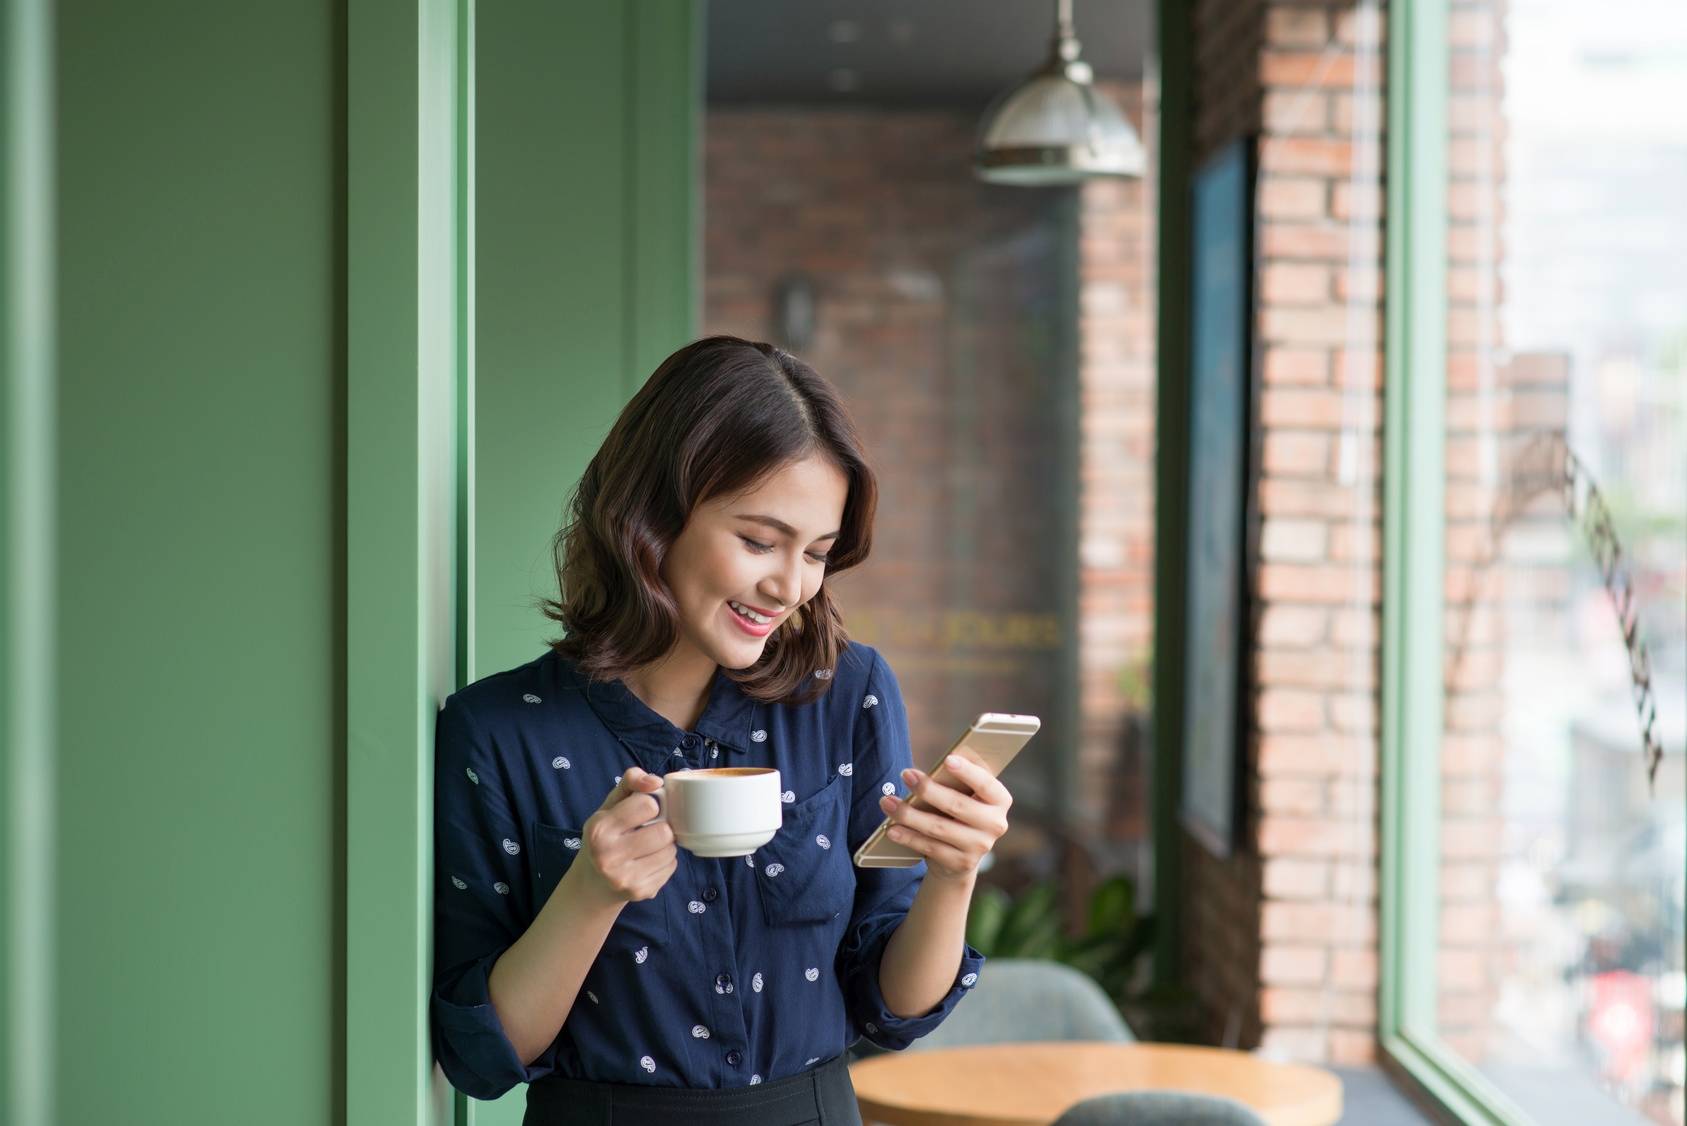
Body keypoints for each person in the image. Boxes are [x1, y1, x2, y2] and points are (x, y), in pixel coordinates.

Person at [430, 336, 1015, 1125]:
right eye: (757, 541)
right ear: (652, 517)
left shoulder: (847, 695)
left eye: (816, 553)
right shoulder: (497, 732)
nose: (789, 586)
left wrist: (953, 873)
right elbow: (483, 1057)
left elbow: (893, 1008)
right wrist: (590, 893)